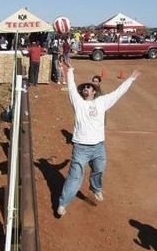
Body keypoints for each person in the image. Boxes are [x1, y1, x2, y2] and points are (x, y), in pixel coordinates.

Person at [56, 62, 140, 217]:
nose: (86, 89)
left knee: (99, 169)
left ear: (94, 91)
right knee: (74, 177)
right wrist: (70, 71)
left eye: (89, 87)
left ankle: (95, 189)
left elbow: (118, 93)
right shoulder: (78, 103)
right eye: (85, 88)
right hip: (81, 147)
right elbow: (72, 87)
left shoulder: (102, 102)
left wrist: (131, 79)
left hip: (98, 146)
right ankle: (62, 203)